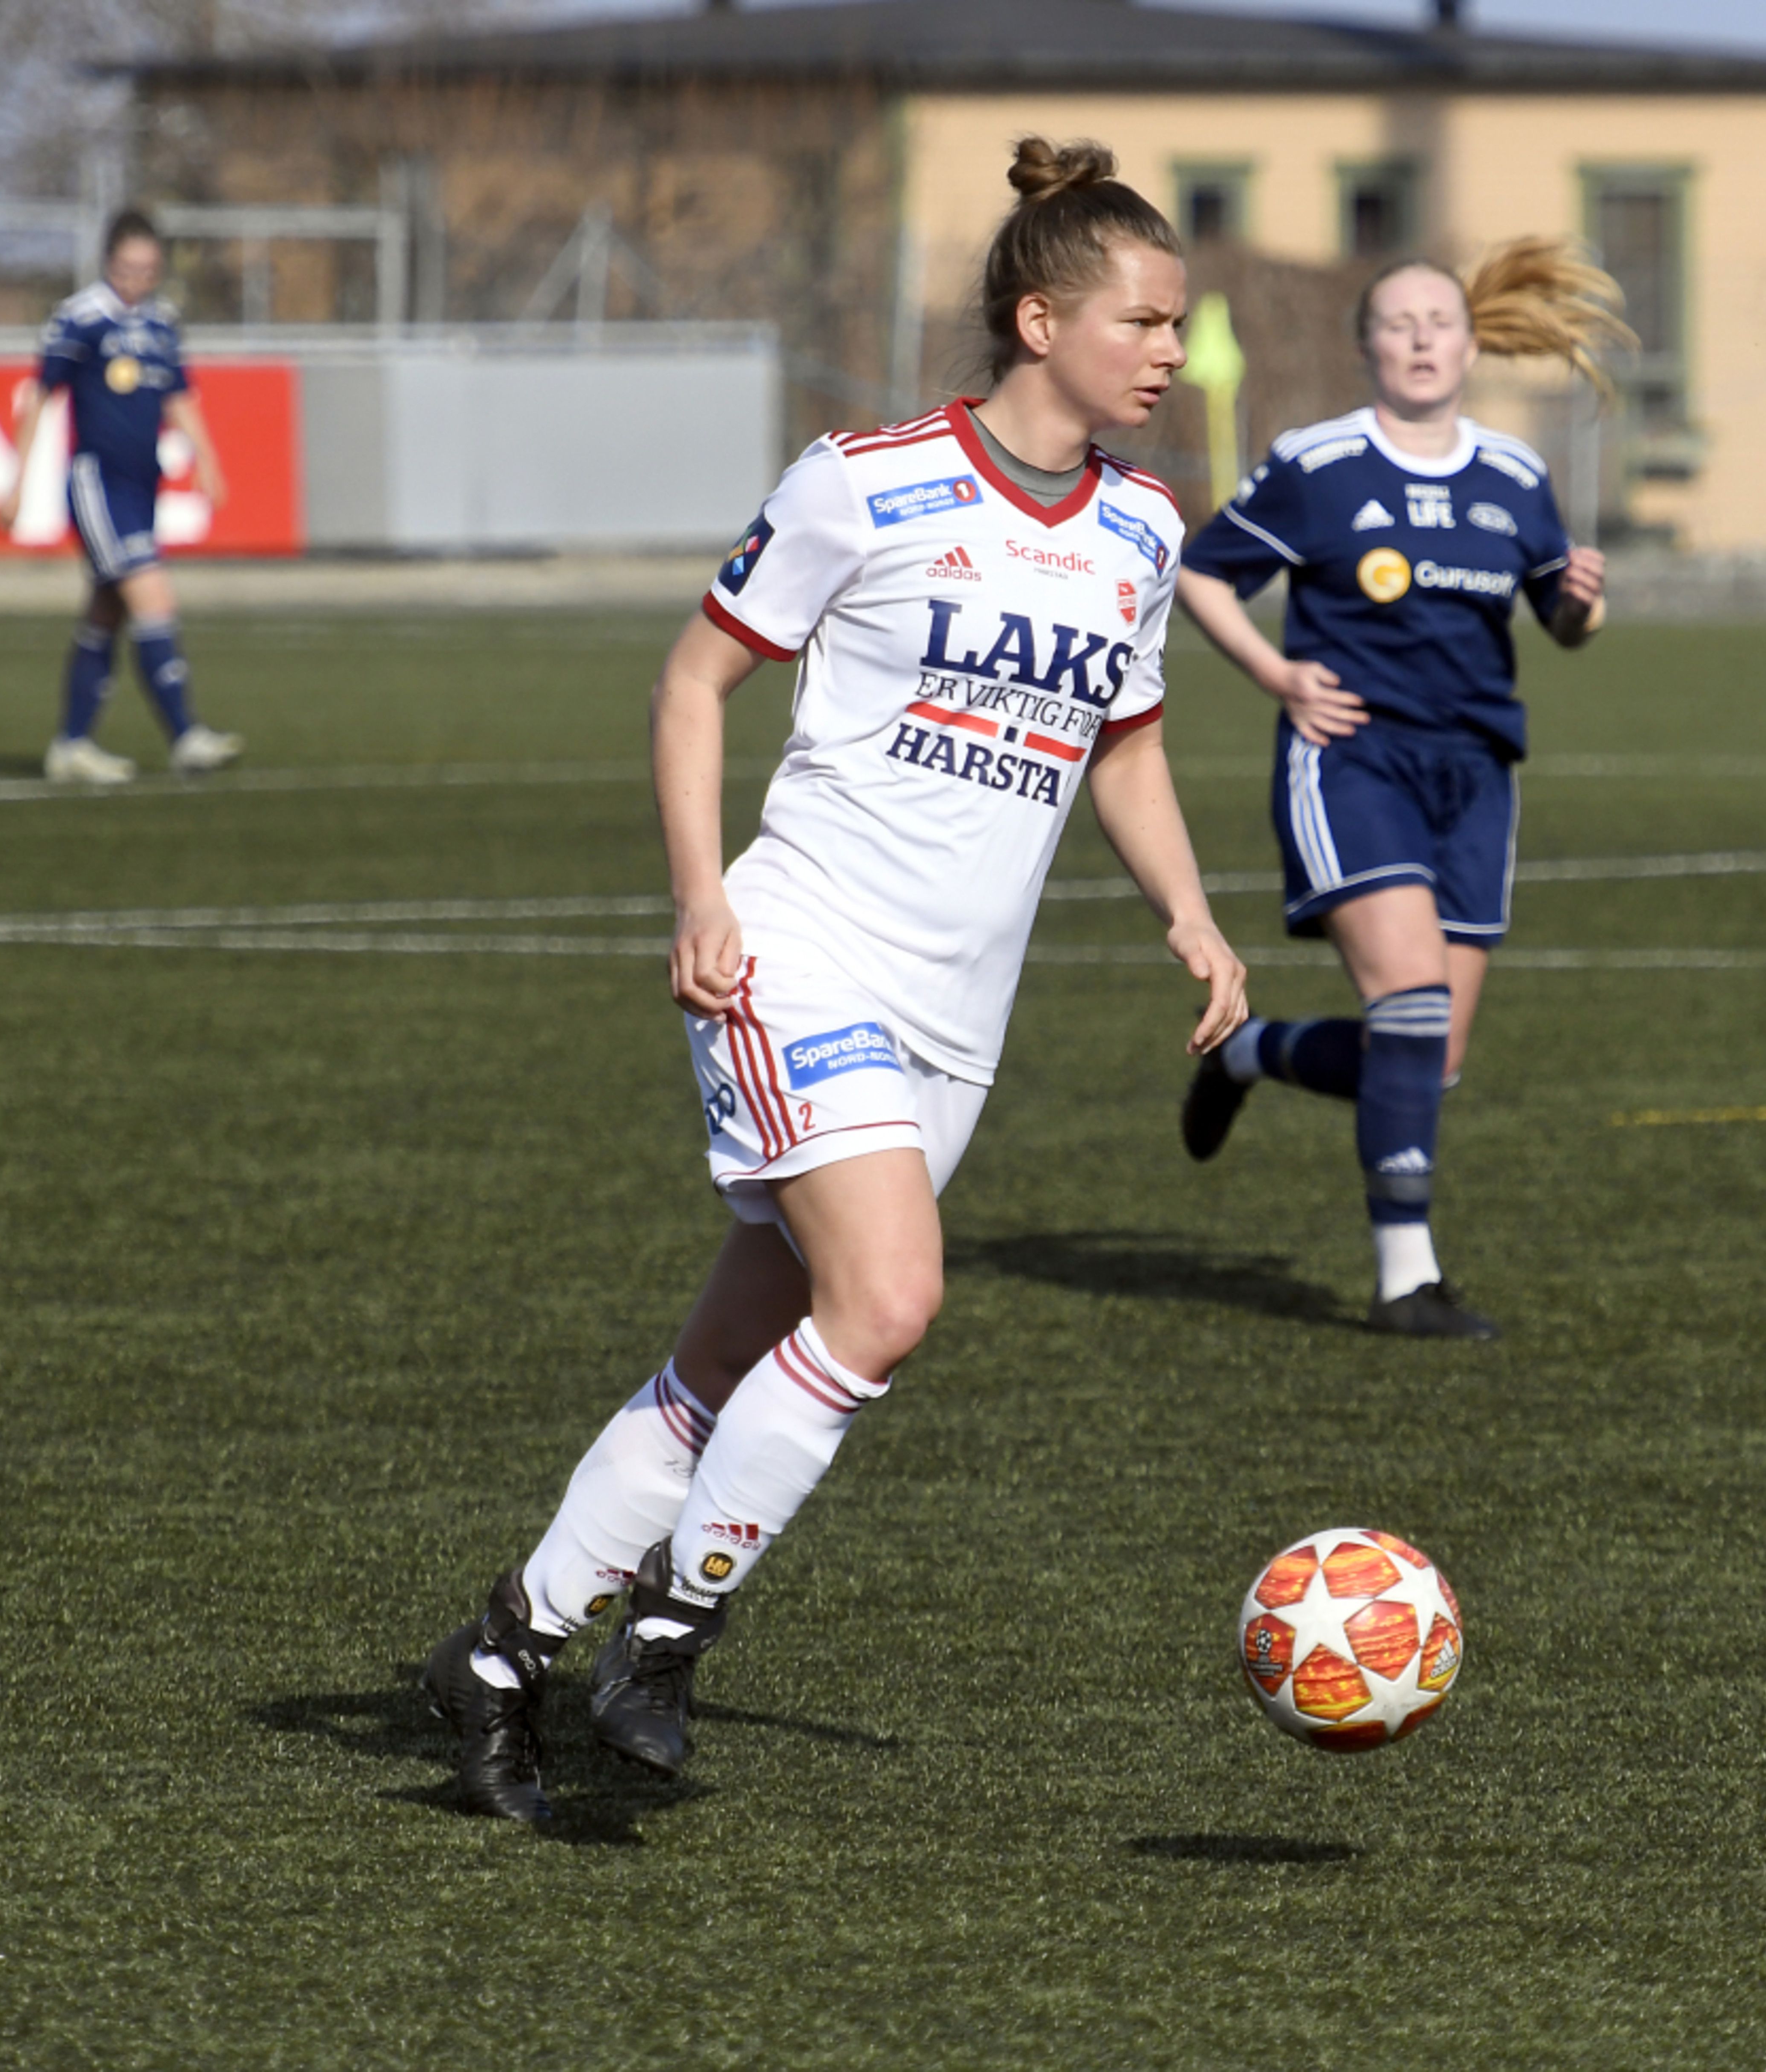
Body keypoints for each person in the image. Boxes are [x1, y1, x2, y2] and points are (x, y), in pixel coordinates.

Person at [420, 137, 1249, 1826]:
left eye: (1178, 323)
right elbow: (690, 683)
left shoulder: (1140, 529)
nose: (1171, 351)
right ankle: (670, 1630)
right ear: (1041, 320)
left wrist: (1192, 914)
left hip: (957, 1022)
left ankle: (501, 1654)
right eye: (1145, 321)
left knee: (729, 1361)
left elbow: (1127, 748)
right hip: (800, 956)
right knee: (886, 1302)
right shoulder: (864, 482)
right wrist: (698, 901)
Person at [1173, 242, 1625, 1341]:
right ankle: (1405, 1282)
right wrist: (1279, 675)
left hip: (1476, 774)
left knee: (1435, 1058)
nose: (1422, 337)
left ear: (1471, 346)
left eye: (1440, 321)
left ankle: (1251, 1052)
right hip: (1354, 759)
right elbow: (1202, 571)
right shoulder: (1320, 462)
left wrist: (1581, 602)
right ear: (1367, 345)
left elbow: (1564, 622)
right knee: (1413, 1005)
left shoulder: (1513, 473)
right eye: (1398, 321)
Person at [0, 208, 244, 784]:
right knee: (152, 593)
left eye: (148, 270)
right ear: (109, 263)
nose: (137, 280)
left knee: (107, 612)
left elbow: (179, 396)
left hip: (141, 484)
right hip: (97, 482)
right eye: (128, 269)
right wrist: (16, 482)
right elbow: (40, 396)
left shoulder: (161, 322)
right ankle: (186, 736)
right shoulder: (81, 317)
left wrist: (207, 460)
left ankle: (72, 746)